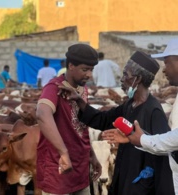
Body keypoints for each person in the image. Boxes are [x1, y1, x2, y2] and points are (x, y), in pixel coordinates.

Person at [57, 51, 175, 195]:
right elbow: (104, 119)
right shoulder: (130, 105)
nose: (122, 79)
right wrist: (79, 100)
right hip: (124, 176)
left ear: (136, 79)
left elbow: (162, 153)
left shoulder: (153, 111)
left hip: (141, 184)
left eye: (126, 75)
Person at [35, 43, 102, 195]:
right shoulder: (54, 88)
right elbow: (42, 113)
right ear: (71, 65)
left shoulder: (82, 89)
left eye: (91, 70)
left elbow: (81, 126)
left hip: (80, 167)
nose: (89, 75)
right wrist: (63, 152)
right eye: (85, 69)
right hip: (59, 169)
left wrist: (92, 155)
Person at [122, 38, 178, 194]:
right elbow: (171, 143)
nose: (164, 70)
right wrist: (139, 140)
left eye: (167, 63)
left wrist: (143, 140)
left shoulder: (152, 109)